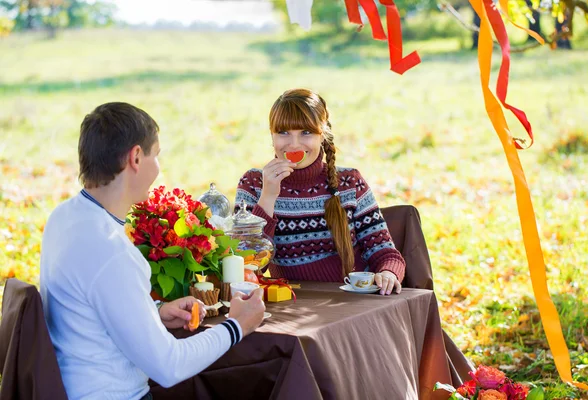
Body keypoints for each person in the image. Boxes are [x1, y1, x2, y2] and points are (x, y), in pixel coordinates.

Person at [40, 102, 265, 400]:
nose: (158, 168)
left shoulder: (63, 218)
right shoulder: (111, 250)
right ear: (135, 157)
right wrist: (237, 325)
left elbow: (86, 312)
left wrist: (153, 313)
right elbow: (169, 366)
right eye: (155, 155)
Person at [235, 88, 405, 295]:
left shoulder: (349, 182)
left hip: (353, 300)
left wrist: (388, 273)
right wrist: (268, 197)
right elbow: (245, 265)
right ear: (272, 136)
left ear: (322, 135)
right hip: (292, 301)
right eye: (283, 132)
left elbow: (385, 252)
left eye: (306, 132)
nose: (294, 144)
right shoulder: (253, 183)